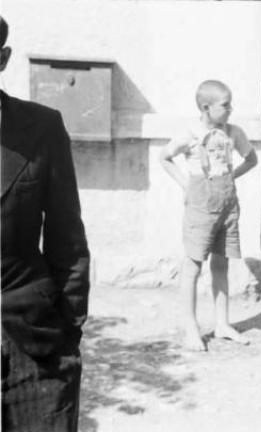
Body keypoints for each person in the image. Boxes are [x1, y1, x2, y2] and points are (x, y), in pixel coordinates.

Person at [1, 16, 91, 432]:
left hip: (31, 340)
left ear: (3, 59)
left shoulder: (42, 128)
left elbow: (68, 242)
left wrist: (68, 334)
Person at [159, 79, 257, 350]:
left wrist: (231, 177)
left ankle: (222, 324)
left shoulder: (234, 132)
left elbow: (252, 159)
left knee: (221, 264)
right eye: (225, 105)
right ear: (206, 107)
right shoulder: (190, 134)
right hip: (200, 207)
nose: (231, 109)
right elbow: (164, 157)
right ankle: (191, 328)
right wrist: (186, 184)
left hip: (227, 206)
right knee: (193, 266)